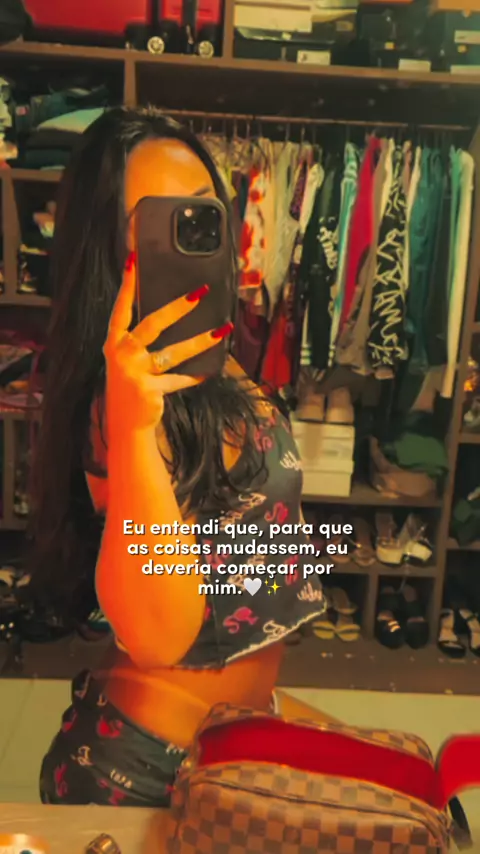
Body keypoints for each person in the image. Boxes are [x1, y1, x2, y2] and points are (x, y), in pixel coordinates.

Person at [29, 106, 328, 808]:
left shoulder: (216, 359)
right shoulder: (118, 406)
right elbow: (159, 637)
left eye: (201, 212)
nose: (192, 236)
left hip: (228, 738)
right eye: (159, 223)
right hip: (146, 771)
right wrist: (134, 429)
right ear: (110, 251)